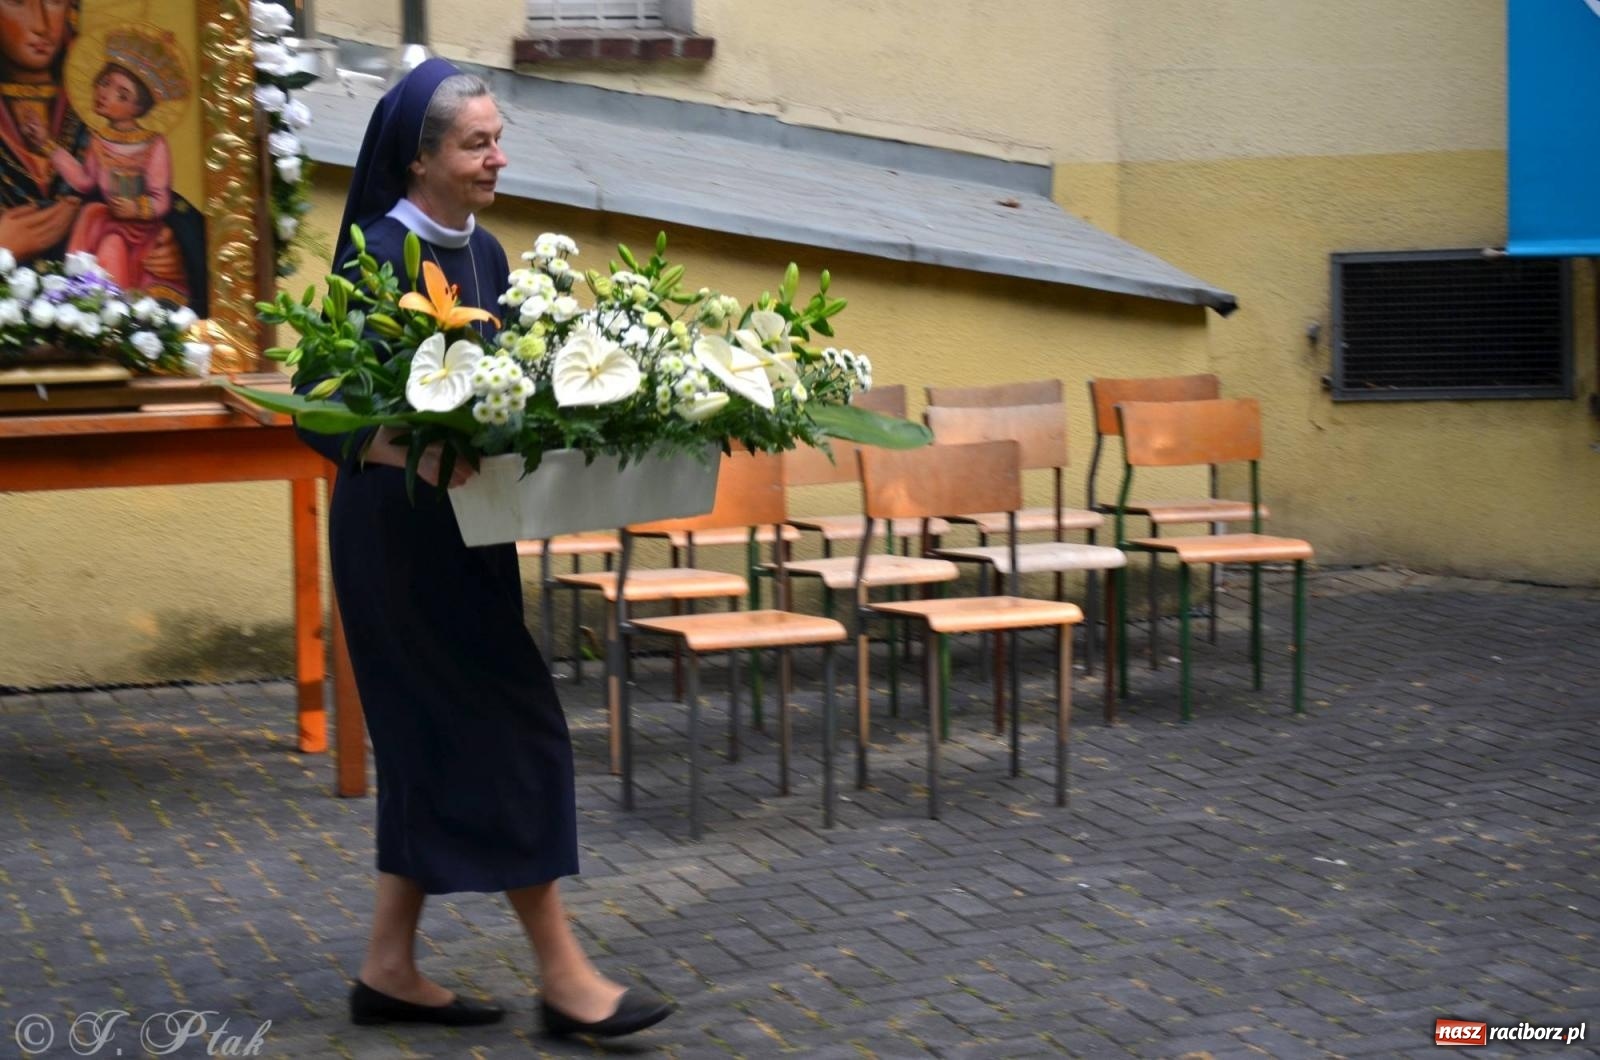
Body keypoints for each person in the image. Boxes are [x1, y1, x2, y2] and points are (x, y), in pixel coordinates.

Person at [298, 58, 675, 1040]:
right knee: (513, 734)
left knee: (435, 744)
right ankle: (565, 976)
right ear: (419, 161)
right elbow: (316, 406)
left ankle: (388, 968)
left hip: (471, 537)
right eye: (476, 142)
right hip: (395, 541)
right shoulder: (378, 255)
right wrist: (406, 454)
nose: (497, 156)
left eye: (498, 138)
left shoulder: (494, 256)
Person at [32, 28, 186, 294]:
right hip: (105, 222)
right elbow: (84, 181)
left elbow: (160, 198)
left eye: (122, 94)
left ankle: (112, 315)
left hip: (142, 233)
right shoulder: (98, 139)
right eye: (105, 83)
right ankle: (90, 305)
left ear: (139, 108)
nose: (105, 94)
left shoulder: (154, 144)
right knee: (101, 232)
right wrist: (47, 144)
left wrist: (135, 208)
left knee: (112, 244)